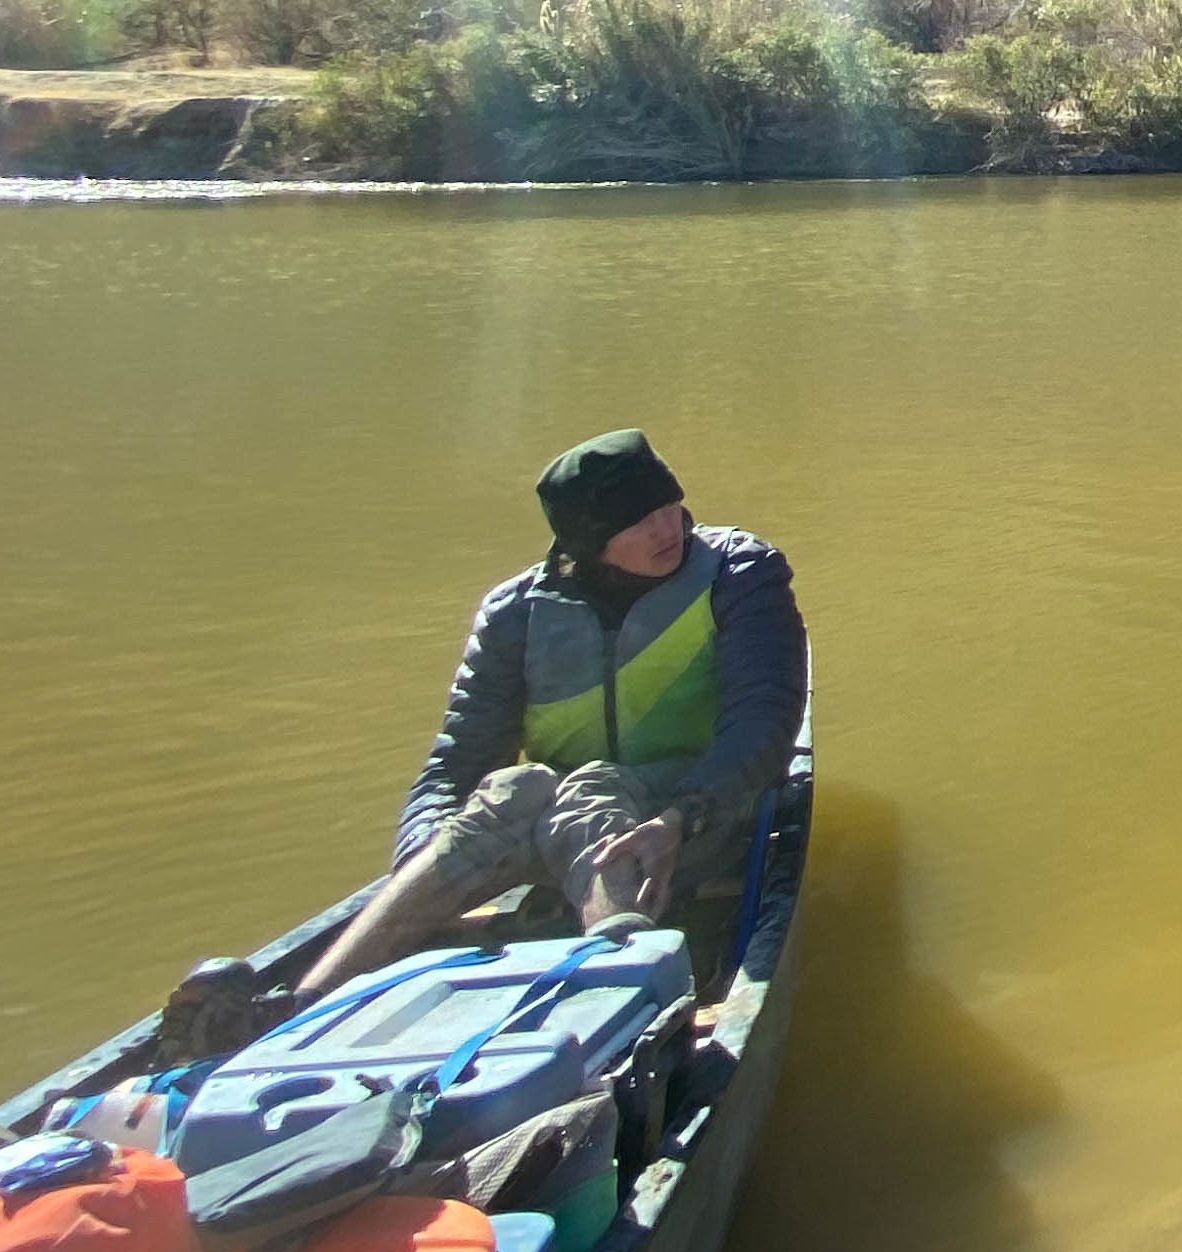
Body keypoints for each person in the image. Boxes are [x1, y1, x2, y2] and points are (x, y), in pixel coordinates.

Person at [270, 430, 809, 1005]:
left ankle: (628, 992)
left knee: (590, 787)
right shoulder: (516, 614)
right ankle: (301, 1005)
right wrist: (426, 863)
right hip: (563, 835)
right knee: (513, 787)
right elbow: (456, 763)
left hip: (703, 817)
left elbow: (762, 724)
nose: (666, 529)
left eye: (669, 507)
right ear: (589, 541)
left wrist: (683, 818)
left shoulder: (737, 572)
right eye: (640, 520)